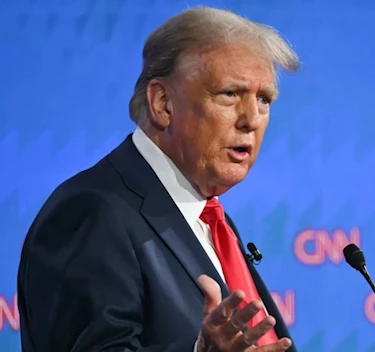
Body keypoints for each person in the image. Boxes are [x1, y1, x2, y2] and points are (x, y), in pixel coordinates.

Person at [17, 6, 299, 352]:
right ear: (163, 103)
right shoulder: (91, 211)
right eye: (229, 94)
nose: (251, 119)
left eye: (264, 99)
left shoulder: (211, 221)